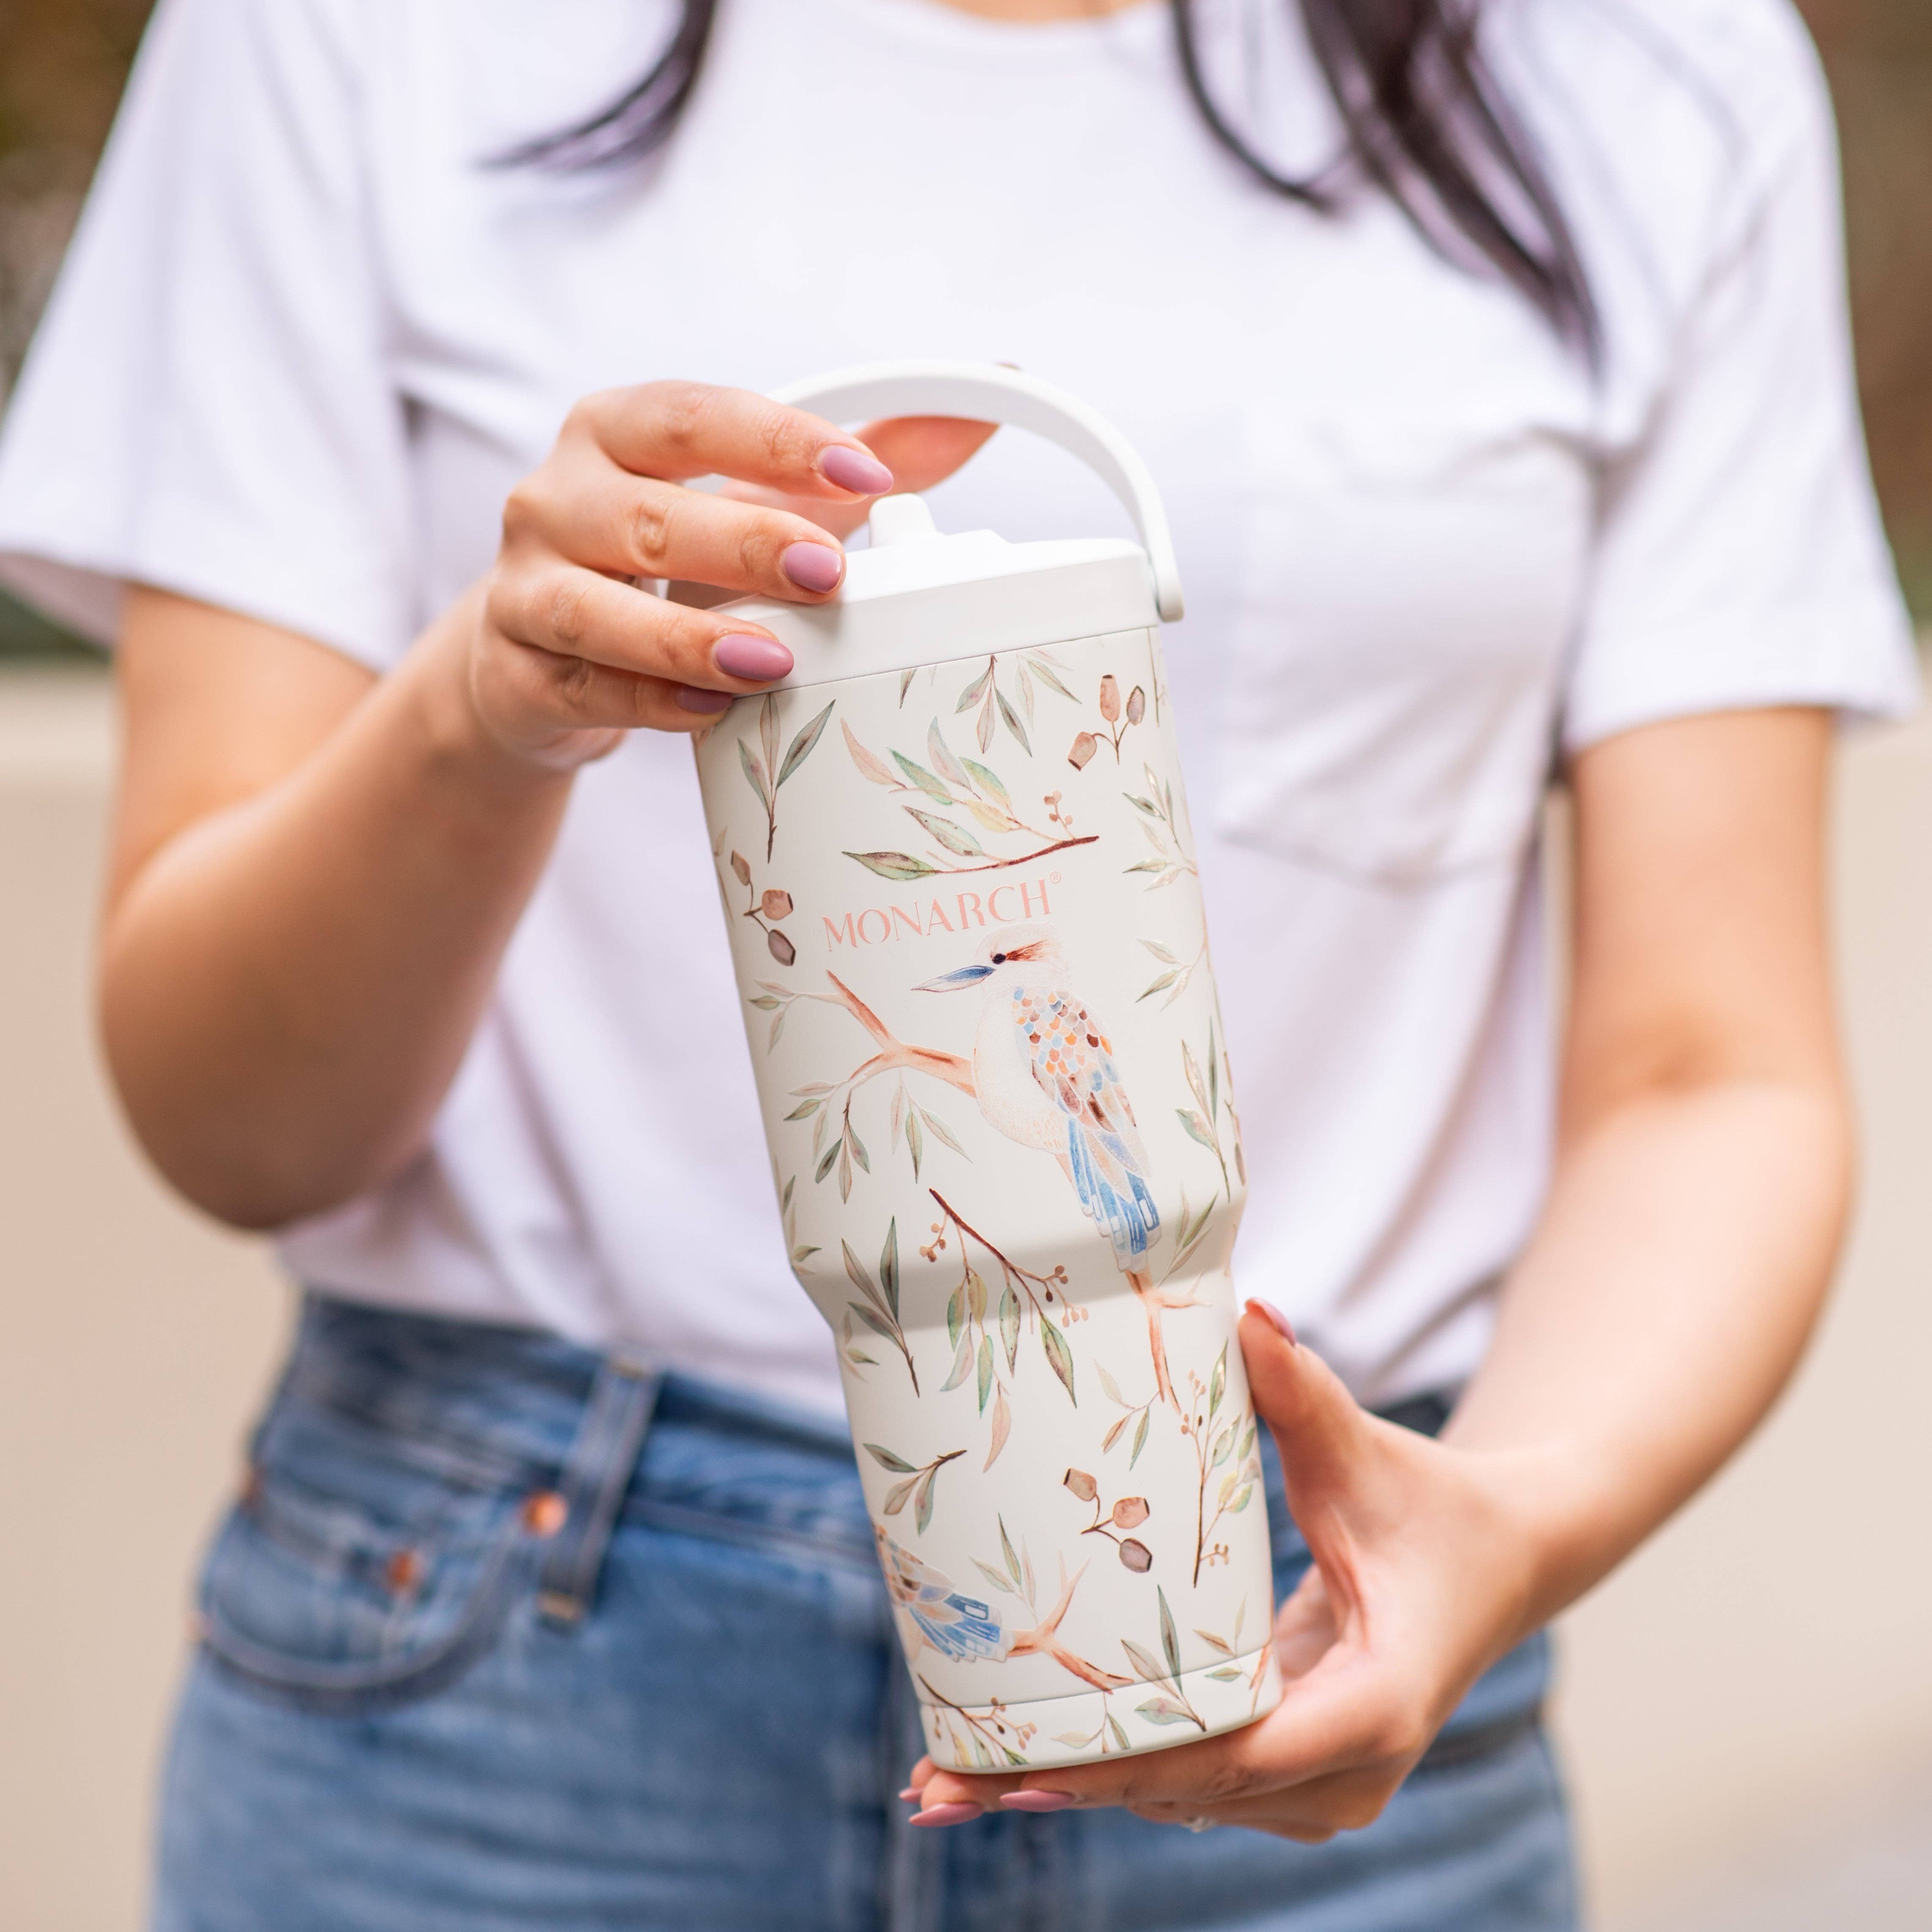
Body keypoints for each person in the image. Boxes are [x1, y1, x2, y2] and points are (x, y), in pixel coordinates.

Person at [0, 0, 1916, 1925]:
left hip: (1302, 1623)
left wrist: (1508, 1520)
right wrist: (487, 708)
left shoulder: (1634, 62)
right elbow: (232, 1124)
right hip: (500, 1707)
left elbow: (1707, 1076)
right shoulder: (348, 36)